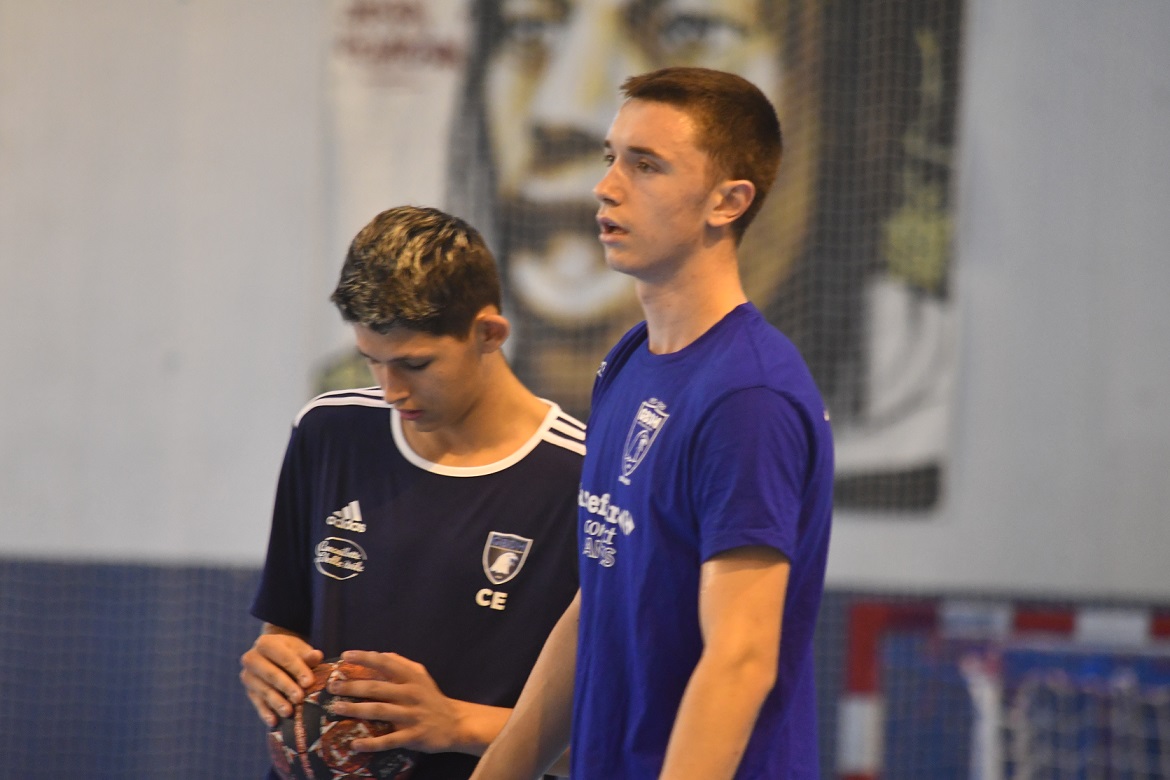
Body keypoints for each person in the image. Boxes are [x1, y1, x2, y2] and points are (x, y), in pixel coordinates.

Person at [469, 67, 834, 779]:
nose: (605, 187)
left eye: (646, 165)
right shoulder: (630, 360)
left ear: (728, 201)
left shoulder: (748, 397)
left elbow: (740, 659)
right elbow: (598, 602)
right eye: (612, 157)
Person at [241, 205, 584, 779]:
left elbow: (620, 747)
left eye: (415, 364)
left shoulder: (582, 478)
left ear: (489, 334)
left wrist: (459, 725)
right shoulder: (329, 433)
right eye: (372, 362)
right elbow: (284, 627)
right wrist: (274, 666)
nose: (391, 390)